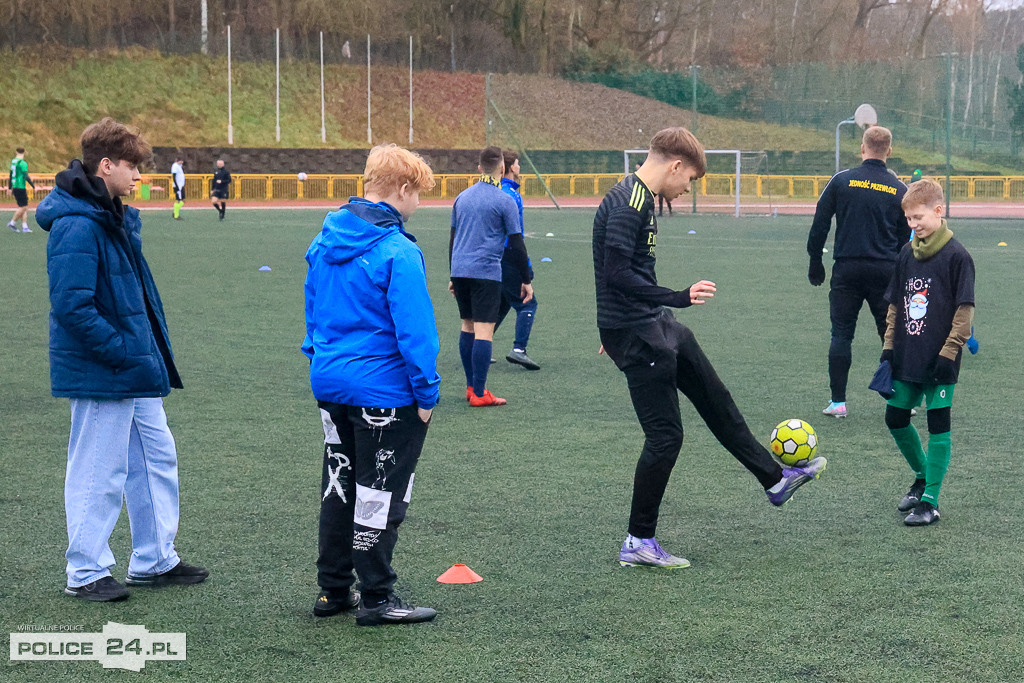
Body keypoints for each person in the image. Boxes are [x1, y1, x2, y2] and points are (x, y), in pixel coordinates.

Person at [594, 127, 827, 569]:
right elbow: (616, 274)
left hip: (650, 324)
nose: (686, 190)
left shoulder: (638, 196)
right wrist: (675, 298)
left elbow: (620, 275)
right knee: (665, 437)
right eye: (690, 180)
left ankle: (776, 480)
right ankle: (638, 541)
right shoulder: (630, 203)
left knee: (715, 399)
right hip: (636, 331)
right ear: (675, 165)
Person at [36, 118, 208, 602]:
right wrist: (121, 351)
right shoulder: (76, 224)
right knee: (98, 467)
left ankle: (155, 558)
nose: (139, 177)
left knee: (155, 457)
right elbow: (72, 305)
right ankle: (85, 570)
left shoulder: (109, 215)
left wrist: (138, 353)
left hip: (131, 366)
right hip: (106, 368)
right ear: (105, 165)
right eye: (132, 167)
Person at [302, 143, 440, 626]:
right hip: (385, 392)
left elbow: (312, 310)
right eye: (418, 194)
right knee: (380, 491)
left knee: (338, 486)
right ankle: (378, 598)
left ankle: (333, 591)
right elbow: (415, 332)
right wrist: (428, 394)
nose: (418, 204)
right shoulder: (398, 250)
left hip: (331, 383)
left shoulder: (322, 242)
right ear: (402, 189)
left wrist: (316, 357)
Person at [881, 179, 975, 526]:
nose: (913, 224)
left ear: (938, 211)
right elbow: (895, 305)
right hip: (907, 354)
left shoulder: (958, 256)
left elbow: (965, 312)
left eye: (918, 217)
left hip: (940, 358)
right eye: (908, 219)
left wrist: (949, 352)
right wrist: (888, 347)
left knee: (938, 425)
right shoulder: (907, 253)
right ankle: (922, 477)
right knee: (895, 418)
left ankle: (931, 502)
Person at [807, 126, 911, 418]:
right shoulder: (899, 189)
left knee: (841, 334)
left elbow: (821, 221)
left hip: (848, 269)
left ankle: (838, 402)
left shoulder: (841, 180)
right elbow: (906, 239)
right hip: (885, 271)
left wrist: (816, 260)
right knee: (889, 334)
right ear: (889, 152)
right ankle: (900, 399)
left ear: (862, 148)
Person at [449, 146, 533, 406]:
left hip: (460, 269)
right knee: (484, 332)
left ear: (478, 168)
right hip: (486, 271)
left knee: (467, 326)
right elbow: (517, 245)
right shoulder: (504, 200)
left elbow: (453, 239)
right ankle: (480, 392)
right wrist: (526, 278)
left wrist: (452, 274)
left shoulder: (461, 197)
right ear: (501, 169)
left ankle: (470, 387)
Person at [495, 149, 540, 371]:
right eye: (518, 164)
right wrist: (526, 271)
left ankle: (479, 344)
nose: (520, 168)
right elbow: (516, 236)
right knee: (527, 303)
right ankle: (519, 349)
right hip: (509, 255)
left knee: (502, 302)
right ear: (511, 167)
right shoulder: (510, 196)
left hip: (495, 256)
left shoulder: (497, 190)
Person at [8, 147, 36, 233]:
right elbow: (25, 176)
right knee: (24, 207)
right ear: (24, 152)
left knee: (23, 206)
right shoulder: (23, 163)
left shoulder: (13, 162)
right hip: (20, 186)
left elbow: (11, 175)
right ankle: (12, 222)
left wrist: (9, 187)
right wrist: (33, 185)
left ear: (16, 152)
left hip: (15, 185)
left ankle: (25, 226)